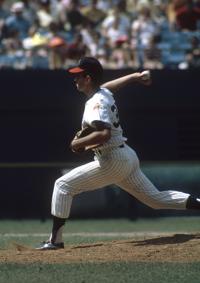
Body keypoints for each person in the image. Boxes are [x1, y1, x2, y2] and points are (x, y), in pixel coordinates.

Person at [37, 56, 200, 250]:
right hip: (126, 157)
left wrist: (77, 143)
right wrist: (135, 76)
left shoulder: (94, 104)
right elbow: (109, 86)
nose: (75, 79)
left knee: (62, 185)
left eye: (79, 76)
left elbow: (103, 134)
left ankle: (55, 240)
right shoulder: (102, 93)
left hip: (112, 160)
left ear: (88, 78)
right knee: (156, 199)